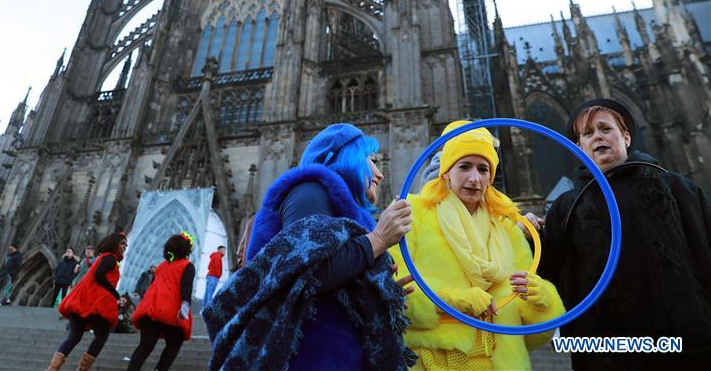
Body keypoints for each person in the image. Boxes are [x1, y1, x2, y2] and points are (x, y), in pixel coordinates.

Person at [204, 123, 415, 370]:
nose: (380, 173)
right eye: (372, 160)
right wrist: (378, 239)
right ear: (348, 158)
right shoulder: (308, 191)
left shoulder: (331, 204)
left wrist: (377, 290)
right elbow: (310, 271)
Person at [539, 99, 711, 369]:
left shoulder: (676, 189)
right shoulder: (566, 207)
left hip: (684, 351)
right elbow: (544, 275)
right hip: (604, 355)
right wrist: (526, 234)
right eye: (587, 133)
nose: (597, 136)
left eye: (605, 128)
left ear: (626, 137)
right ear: (579, 147)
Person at [391, 120, 565, 369]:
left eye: (483, 169)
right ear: (446, 171)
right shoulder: (412, 214)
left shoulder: (507, 228)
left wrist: (542, 300)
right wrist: (453, 301)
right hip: (433, 361)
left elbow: (533, 335)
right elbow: (393, 294)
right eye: (464, 167)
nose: (474, 178)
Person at [45, 233, 127, 371]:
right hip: (94, 304)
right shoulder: (110, 258)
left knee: (73, 337)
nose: (125, 247)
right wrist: (116, 295)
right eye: (122, 243)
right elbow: (99, 275)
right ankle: (82, 369)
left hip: (80, 302)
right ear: (114, 244)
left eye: (126, 244)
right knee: (101, 337)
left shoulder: (102, 258)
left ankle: (52, 368)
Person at [127, 233, 196, 371]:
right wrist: (185, 306)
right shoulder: (187, 265)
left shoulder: (161, 266)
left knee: (145, 346)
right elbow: (186, 287)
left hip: (150, 309)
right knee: (174, 344)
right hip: (171, 310)